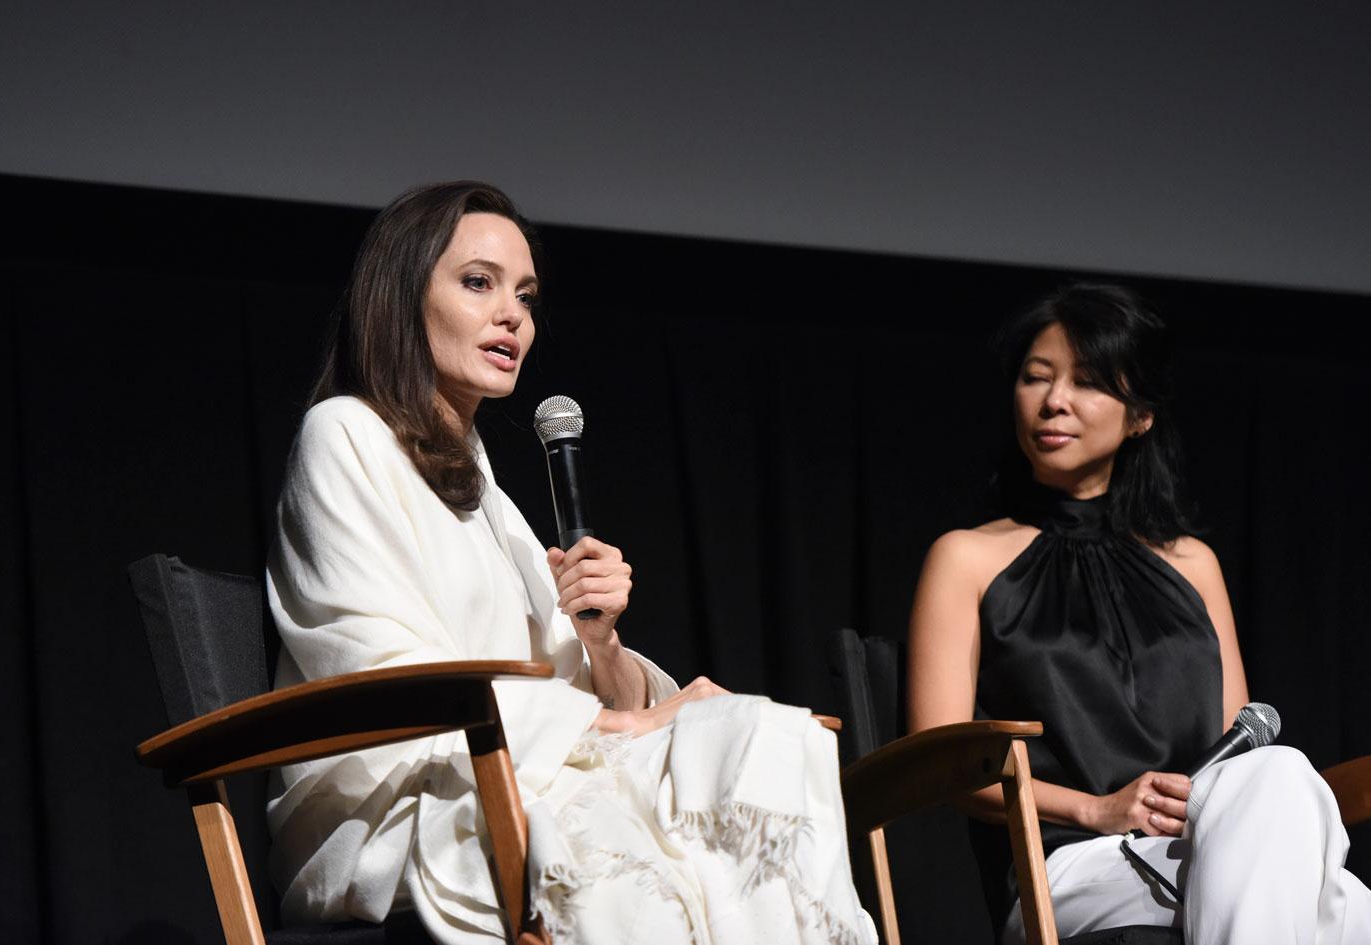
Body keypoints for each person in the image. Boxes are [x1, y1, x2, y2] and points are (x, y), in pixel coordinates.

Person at [265, 181, 872, 945]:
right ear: (401, 295)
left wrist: (602, 643)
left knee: (756, 740)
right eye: (478, 283)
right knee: (689, 837)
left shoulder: (486, 492)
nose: (512, 315)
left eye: (525, 294)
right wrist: (632, 723)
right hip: (408, 810)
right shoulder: (344, 433)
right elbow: (383, 674)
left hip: (520, 777)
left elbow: (570, 687)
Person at [905, 283, 1371, 944]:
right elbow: (940, 764)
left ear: (1141, 414)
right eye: (1036, 377)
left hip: (1204, 849)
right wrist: (1097, 807)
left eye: (1088, 381)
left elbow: (1241, 758)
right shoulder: (968, 558)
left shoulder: (1192, 566)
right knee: (1333, 906)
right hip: (1065, 869)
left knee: (1278, 773)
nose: (1053, 400)